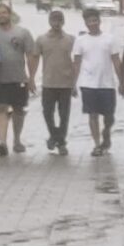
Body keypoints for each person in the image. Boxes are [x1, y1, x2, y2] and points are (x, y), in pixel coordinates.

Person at [0, 3, 37, 159]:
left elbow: (30, 55)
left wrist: (31, 77)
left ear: (9, 13)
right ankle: (2, 142)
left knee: (19, 110)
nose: (1, 15)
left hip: (18, 77)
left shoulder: (22, 32)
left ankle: (17, 140)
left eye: (4, 12)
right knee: (1, 108)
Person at [70, 7, 124, 157]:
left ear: (99, 21)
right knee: (92, 115)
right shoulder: (80, 41)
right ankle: (96, 144)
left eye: (95, 20)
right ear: (86, 23)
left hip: (107, 83)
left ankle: (106, 132)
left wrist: (122, 82)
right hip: (88, 84)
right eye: (89, 21)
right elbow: (76, 63)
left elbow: (116, 61)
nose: (93, 24)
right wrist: (73, 84)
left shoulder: (110, 39)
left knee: (109, 116)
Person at [34, 8, 78, 153]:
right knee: (47, 112)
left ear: (63, 22)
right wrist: (31, 78)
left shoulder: (70, 40)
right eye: (54, 20)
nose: (56, 23)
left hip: (66, 83)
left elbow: (76, 62)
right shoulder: (41, 39)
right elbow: (34, 58)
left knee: (64, 114)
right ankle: (55, 136)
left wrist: (74, 83)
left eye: (59, 20)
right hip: (48, 82)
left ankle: (61, 142)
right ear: (49, 21)